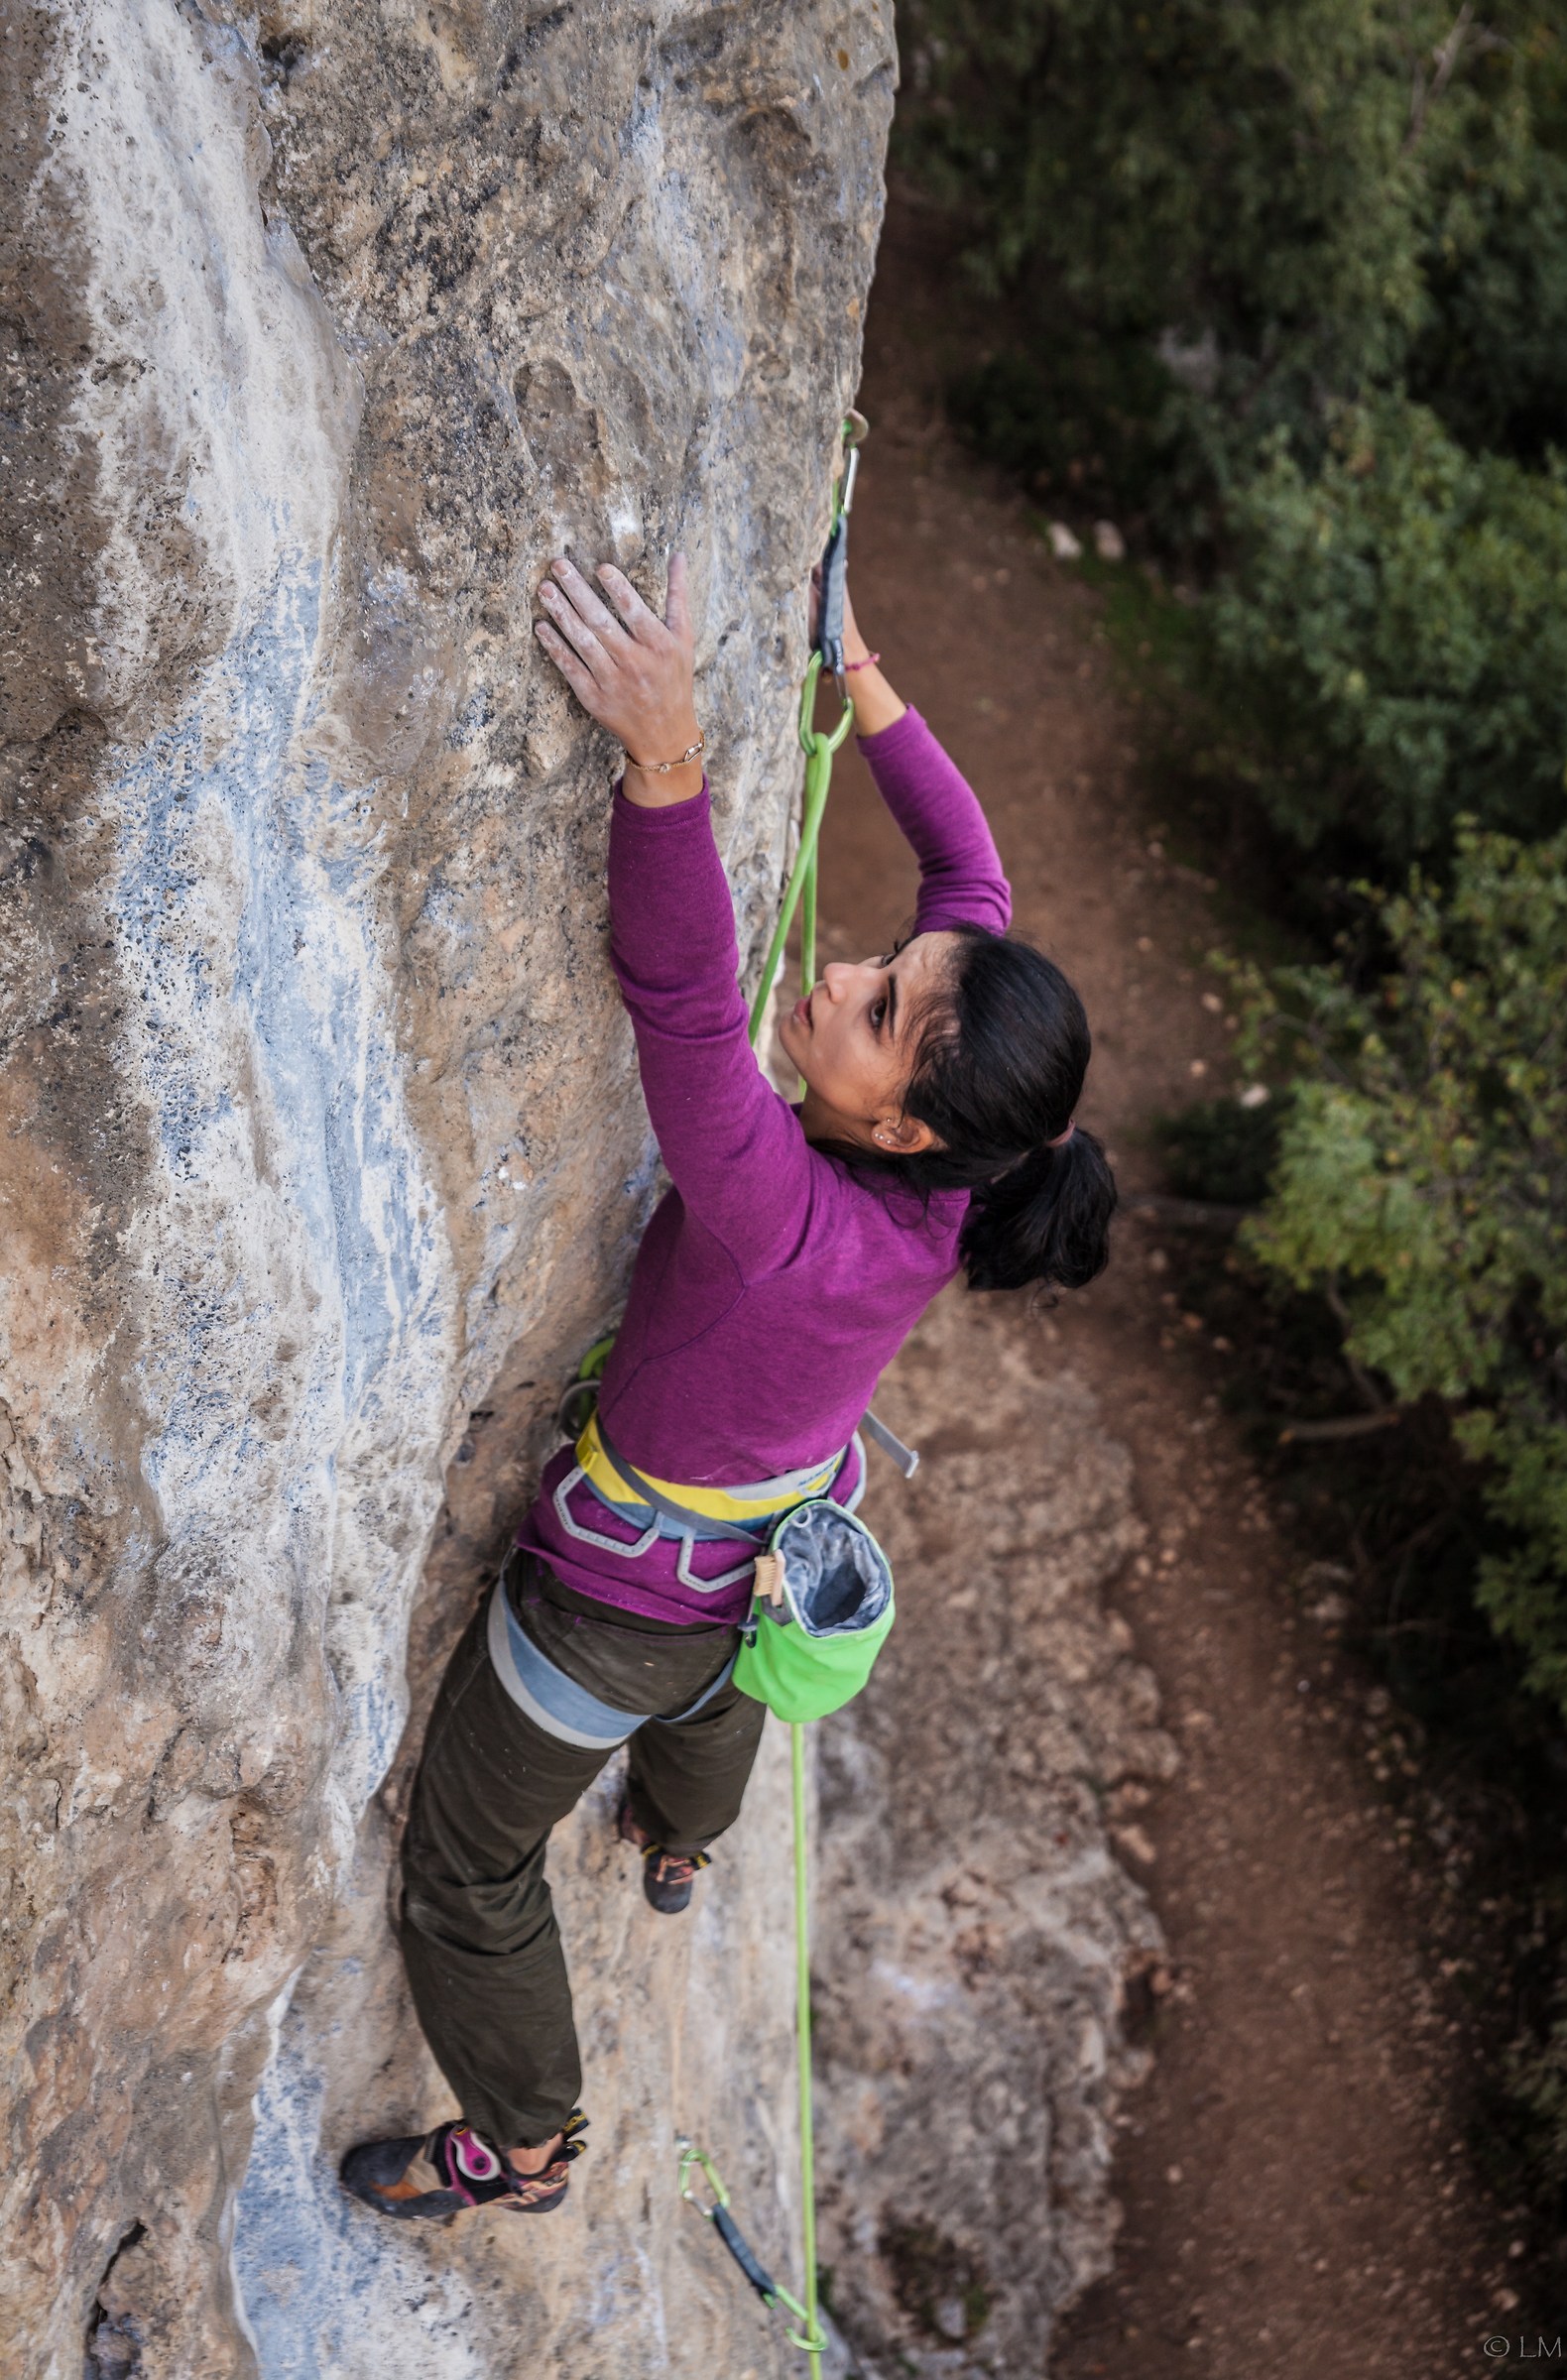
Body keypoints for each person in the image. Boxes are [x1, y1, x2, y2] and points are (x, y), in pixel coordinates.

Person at [340, 547, 1117, 2221]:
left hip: (617, 1607)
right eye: (883, 968)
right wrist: (865, 667)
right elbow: (966, 871)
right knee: (712, 1707)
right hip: (767, 1556)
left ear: (905, 1119)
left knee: (470, 1870)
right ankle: (682, 1849)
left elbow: (686, 1008)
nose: (841, 975)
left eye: (875, 1008)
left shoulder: (786, 1221)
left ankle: (525, 2144)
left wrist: (667, 759)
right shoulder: (956, 1162)